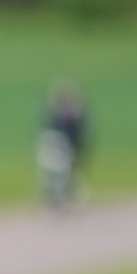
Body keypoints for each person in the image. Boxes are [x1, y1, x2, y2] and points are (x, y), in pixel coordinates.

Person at [36, 79, 87, 211]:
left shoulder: (74, 115)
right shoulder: (57, 115)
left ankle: (68, 198)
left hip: (71, 147)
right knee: (56, 177)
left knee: (70, 175)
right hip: (58, 147)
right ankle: (55, 199)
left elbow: (78, 134)